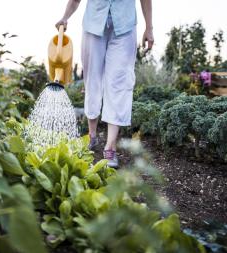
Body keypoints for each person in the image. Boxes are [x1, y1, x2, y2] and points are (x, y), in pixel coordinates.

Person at [56, 0, 154, 167]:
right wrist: (65, 17)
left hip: (124, 26)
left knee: (119, 83)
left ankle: (110, 147)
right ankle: (92, 136)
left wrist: (149, 27)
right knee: (92, 80)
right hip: (93, 24)